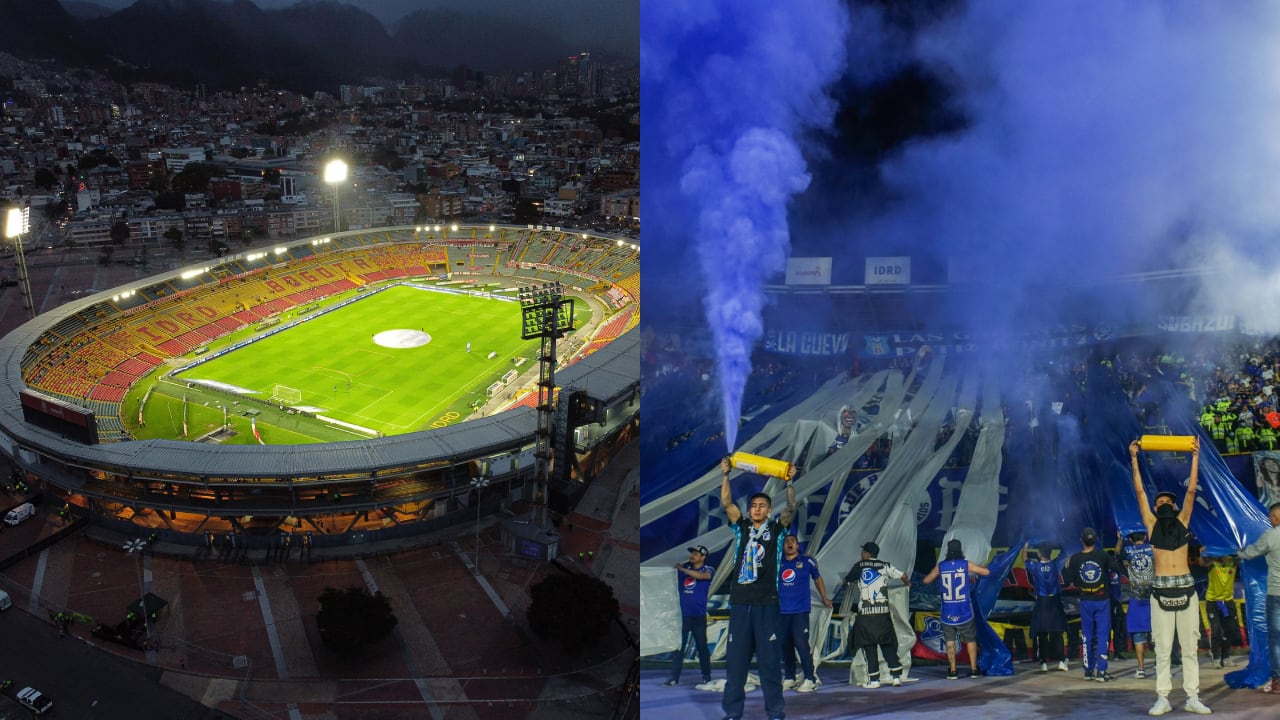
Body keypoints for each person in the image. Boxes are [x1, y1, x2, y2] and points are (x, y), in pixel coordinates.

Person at [1129, 438, 1211, 716]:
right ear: (1155, 507)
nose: (1164, 502)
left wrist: (1195, 456)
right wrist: (1134, 459)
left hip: (1186, 590)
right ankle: (1162, 697)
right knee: (1162, 648)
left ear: (1174, 507)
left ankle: (1192, 696)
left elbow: (1190, 491)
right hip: (1160, 591)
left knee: (1189, 647)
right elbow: (1139, 492)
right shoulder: (1151, 524)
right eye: (1160, 500)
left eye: (1168, 501)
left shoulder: (1183, 521)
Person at [718, 456, 788, 720]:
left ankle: (776, 713)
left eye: (763, 506)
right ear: (749, 510)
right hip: (740, 604)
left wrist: (789, 483)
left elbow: (791, 506)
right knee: (736, 665)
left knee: (770, 665)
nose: (758, 509)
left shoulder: (778, 531)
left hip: (767, 605)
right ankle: (733, 714)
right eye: (754, 506)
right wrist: (725, 474)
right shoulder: (742, 527)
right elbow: (726, 503)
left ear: (770, 510)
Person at [922, 539, 990, 680]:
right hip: (964, 611)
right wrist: (978, 567)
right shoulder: (965, 564)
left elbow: (926, 581)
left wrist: (934, 572)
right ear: (960, 551)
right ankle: (973, 669)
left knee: (950, 641)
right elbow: (986, 572)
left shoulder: (941, 566)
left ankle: (953, 671)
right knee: (970, 639)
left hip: (947, 611)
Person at [846, 541, 910, 688]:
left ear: (867, 554)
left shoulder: (860, 566)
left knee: (869, 645)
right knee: (887, 643)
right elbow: (903, 575)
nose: (861, 554)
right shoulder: (885, 565)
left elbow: (848, 580)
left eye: (863, 552)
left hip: (866, 613)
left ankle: (874, 680)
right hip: (883, 613)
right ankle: (896, 677)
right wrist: (907, 585)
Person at [1065, 527, 1125, 682]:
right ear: (1096, 540)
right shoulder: (1102, 555)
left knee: (1087, 635)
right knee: (1102, 634)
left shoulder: (1076, 558)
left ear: (1081, 541)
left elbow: (1066, 580)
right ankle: (1102, 671)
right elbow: (1117, 568)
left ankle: (1088, 670)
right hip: (1102, 600)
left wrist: (1067, 566)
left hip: (1085, 601)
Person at [777, 535, 831, 693]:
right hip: (781, 612)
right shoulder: (777, 562)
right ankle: (789, 677)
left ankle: (810, 678)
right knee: (785, 645)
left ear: (797, 545)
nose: (789, 544)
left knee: (801, 644)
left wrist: (824, 597)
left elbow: (818, 578)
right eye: (787, 542)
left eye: (792, 541)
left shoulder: (807, 561)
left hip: (800, 611)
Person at [1238, 501, 1280, 694]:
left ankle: (1278, 681)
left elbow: (1250, 553)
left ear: (1274, 518)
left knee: (1276, 639)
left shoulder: (1270, 536)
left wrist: (1236, 551)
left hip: (1276, 594)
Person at [665, 545, 715, 688]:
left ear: (703, 557)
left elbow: (702, 576)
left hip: (698, 616)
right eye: (692, 553)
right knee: (678, 648)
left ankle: (707, 676)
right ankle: (674, 677)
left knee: (702, 647)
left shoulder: (708, 569)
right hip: (682, 615)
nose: (692, 556)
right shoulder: (684, 567)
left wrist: (682, 569)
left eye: (696, 554)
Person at [1022, 541, 1069, 672]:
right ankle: (1061, 661)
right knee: (1057, 631)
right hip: (1054, 602)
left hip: (1041, 602)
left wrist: (1025, 546)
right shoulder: (1055, 564)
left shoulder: (1035, 567)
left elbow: (1024, 559)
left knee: (1042, 632)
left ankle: (1043, 662)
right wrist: (1062, 539)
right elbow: (1065, 553)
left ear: (1038, 553)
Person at [1120, 530, 1155, 679]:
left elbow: (1117, 554)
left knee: (1138, 637)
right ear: (1145, 537)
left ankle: (1141, 669)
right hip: (1153, 598)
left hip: (1136, 599)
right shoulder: (1152, 548)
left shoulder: (1128, 550)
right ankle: (1160, 666)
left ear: (1130, 539)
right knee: (1157, 636)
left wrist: (1120, 539)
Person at [1198, 554, 1238, 669]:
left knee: (1230, 630)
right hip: (1213, 602)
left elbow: (1244, 554)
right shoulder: (1213, 562)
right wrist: (1203, 553)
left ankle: (1225, 658)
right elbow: (1202, 563)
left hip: (1228, 601)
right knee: (1215, 629)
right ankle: (1216, 658)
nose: (1226, 557)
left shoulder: (1234, 562)